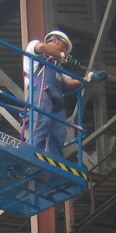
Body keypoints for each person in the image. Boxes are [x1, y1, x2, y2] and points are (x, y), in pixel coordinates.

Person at [23, 30, 82, 160]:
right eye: (64, 47)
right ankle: (29, 154)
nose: (65, 52)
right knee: (41, 124)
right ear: (55, 39)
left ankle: (56, 163)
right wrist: (62, 55)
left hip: (57, 102)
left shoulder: (59, 67)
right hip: (41, 92)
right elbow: (42, 47)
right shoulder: (35, 50)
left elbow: (70, 83)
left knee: (58, 134)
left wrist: (87, 79)